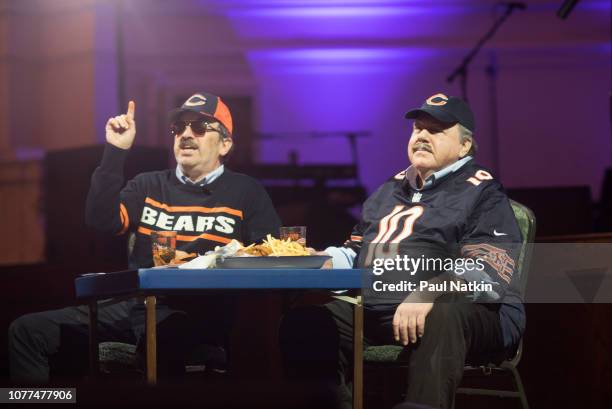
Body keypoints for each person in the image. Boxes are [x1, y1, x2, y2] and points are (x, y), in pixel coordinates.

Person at [9, 92, 281, 383]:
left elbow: (273, 254)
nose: (186, 134)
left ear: (225, 144)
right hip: (135, 305)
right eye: (179, 128)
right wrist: (115, 151)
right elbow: (100, 219)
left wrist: (219, 261)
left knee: (169, 337)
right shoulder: (148, 184)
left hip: (198, 310)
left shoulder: (246, 191)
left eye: (200, 128)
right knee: (27, 331)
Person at [279, 93, 525, 409]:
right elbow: (356, 250)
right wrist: (320, 262)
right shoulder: (388, 190)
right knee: (306, 322)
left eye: (435, 130)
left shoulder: (483, 192)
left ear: (465, 146)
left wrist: (427, 293)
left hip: (466, 315)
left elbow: (491, 267)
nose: (421, 136)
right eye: (417, 128)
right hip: (378, 309)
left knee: (445, 311)